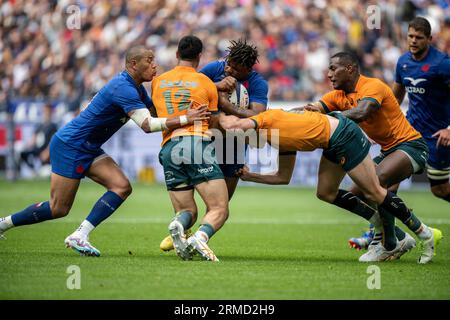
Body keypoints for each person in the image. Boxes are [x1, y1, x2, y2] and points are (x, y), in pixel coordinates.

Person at [0, 46, 209, 257]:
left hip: (88, 146)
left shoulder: (136, 89)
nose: (154, 64)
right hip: (71, 145)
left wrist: (210, 88)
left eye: (154, 59)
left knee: (121, 187)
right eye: (149, 60)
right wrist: (186, 118)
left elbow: (158, 109)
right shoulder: (123, 87)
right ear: (133, 64)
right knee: (58, 208)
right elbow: (148, 124)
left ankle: (80, 235)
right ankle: (4, 224)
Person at [219, 108, 442, 264]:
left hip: (344, 136)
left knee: (374, 191)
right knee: (325, 192)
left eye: (241, 138)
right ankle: (389, 232)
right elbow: (282, 178)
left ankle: (425, 234)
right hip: (332, 140)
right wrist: (250, 176)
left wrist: (216, 111)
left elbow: (234, 123)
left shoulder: (266, 119)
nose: (243, 142)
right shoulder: (276, 139)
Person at [293, 52, 429, 260]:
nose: (328, 74)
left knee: (375, 182)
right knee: (356, 193)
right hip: (388, 151)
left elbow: (362, 112)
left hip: (411, 146)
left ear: (349, 69)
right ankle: (398, 237)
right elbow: (311, 111)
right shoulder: (336, 96)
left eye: (332, 68)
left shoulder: (372, 86)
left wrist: (328, 118)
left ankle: (390, 242)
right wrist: (280, 117)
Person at [159, 39, 268, 251]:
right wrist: (216, 88)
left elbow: (257, 114)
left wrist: (226, 104)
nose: (228, 69)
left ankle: (194, 237)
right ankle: (184, 231)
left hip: (233, 146)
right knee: (191, 194)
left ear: (247, 68)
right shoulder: (214, 69)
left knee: (220, 204)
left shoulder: (257, 83)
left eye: (235, 68)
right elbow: (191, 90)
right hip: (205, 139)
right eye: (228, 63)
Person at [350, 17, 450, 248]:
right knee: (381, 184)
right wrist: (379, 126)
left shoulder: (442, 64)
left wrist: (448, 129)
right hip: (408, 135)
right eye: (410, 36)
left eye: (419, 37)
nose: (413, 41)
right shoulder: (403, 62)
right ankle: (382, 235)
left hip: (438, 137)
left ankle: (389, 236)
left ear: (429, 39)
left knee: (440, 189)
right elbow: (395, 97)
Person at [151, 35, 229, 262]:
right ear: (199, 57)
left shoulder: (158, 81)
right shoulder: (205, 82)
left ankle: (178, 224)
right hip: (195, 143)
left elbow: (157, 116)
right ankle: (201, 238)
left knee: (187, 212)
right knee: (219, 208)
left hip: (168, 148)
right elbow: (213, 121)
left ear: (177, 55)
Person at [18, 103, 57, 176]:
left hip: (46, 155)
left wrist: (47, 152)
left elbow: (54, 142)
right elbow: (33, 138)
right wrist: (27, 146)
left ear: (51, 112)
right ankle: (33, 170)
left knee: (46, 173)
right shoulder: (40, 125)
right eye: (44, 111)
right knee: (22, 153)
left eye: (47, 111)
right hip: (37, 151)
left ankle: (38, 171)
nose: (46, 113)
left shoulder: (53, 126)